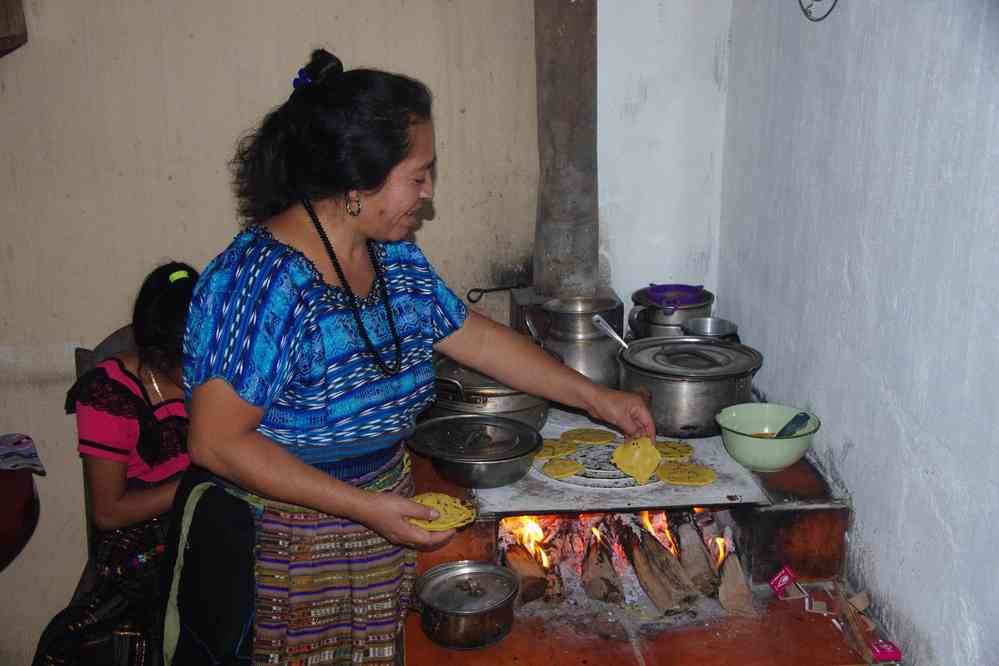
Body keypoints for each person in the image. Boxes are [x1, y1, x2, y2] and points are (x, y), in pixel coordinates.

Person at [162, 48, 655, 666]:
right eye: (417, 175)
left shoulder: (392, 258)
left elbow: (473, 337)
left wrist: (597, 396)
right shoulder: (258, 284)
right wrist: (367, 508)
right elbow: (216, 442)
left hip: (373, 534)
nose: (428, 193)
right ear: (357, 181)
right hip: (283, 555)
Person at [33, 261, 198, 666]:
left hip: (202, 520)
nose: (208, 364)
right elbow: (109, 511)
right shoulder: (111, 393)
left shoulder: (214, 379)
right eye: (194, 355)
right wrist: (196, 480)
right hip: (141, 540)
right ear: (159, 355)